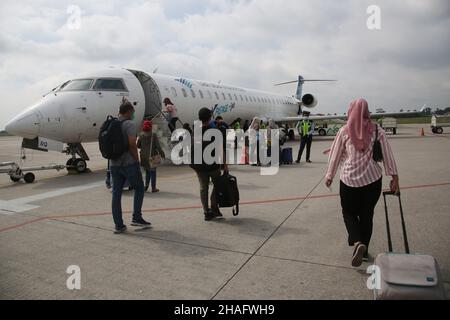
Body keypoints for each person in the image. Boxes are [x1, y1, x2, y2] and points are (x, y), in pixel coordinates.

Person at [325, 98, 400, 267]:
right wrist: (394, 176)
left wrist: (329, 175)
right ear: (367, 111)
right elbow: (387, 154)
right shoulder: (376, 129)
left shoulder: (344, 131)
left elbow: (335, 155)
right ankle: (364, 253)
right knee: (367, 215)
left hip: (349, 181)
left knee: (348, 213)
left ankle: (358, 242)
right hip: (372, 181)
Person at [110, 101, 150, 234]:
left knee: (116, 194)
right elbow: (132, 144)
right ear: (128, 112)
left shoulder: (112, 123)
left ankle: (119, 225)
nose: (133, 114)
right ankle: (136, 217)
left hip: (114, 164)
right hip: (128, 164)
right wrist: (136, 159)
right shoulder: (129, 124)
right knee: (139, 188)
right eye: (132, 112)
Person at [190, 108, 228, 221]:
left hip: (199, 164)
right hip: (212, 165)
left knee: (203, 187)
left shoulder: (195, 129)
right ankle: (214, 206)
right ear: (210, 117)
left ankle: (206, 211)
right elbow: (221, 149)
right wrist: (225, 164)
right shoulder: (215, 130)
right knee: (217, 186)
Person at [137, 120, 166, 193]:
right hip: (152, 156)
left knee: (147, 172)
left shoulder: (141, 135)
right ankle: (153, 188)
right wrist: (162, 154)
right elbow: (158, 147)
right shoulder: (153, 135)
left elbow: (138, 145)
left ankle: (146, 186)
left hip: (143, 156)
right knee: (153, 172)